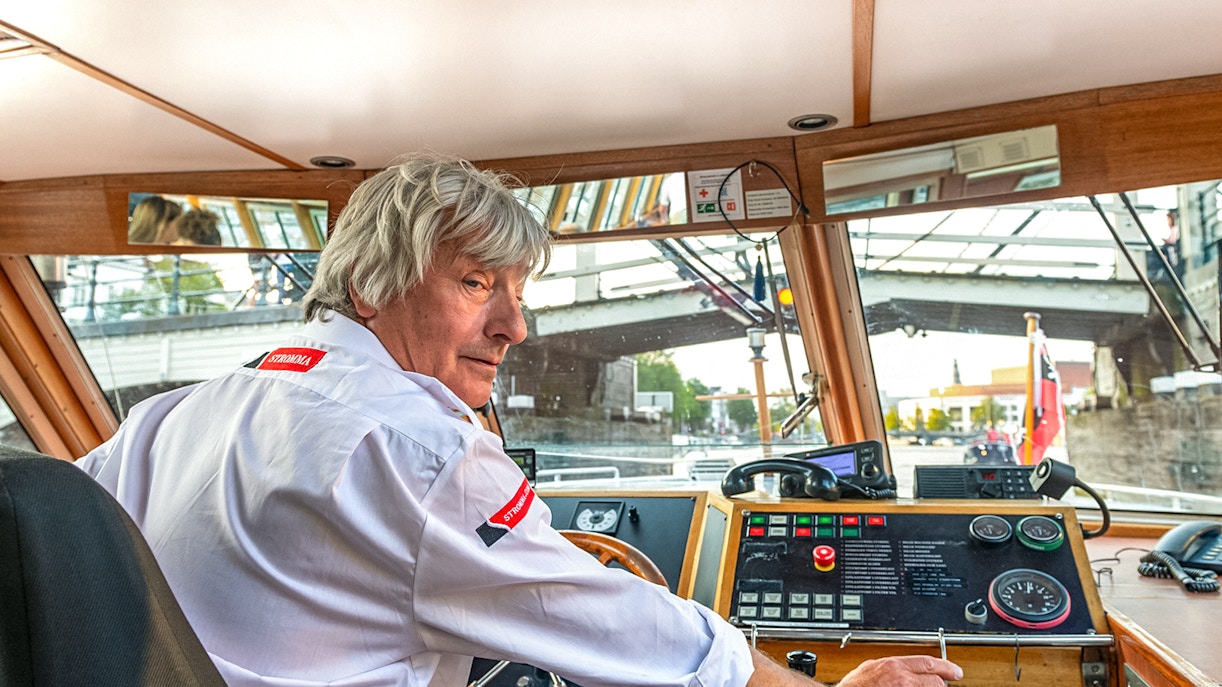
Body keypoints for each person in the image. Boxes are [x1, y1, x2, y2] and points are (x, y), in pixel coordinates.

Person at [77, 153, 962, 687]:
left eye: (518, 290)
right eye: (475, 282)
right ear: (368, 288)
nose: (515, 325)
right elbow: (612, 622)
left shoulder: (163, 420)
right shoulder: (419, 450)